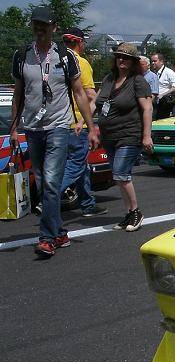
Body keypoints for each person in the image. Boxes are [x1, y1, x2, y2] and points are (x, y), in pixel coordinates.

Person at [9, 7, 99, 258]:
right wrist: (14, 128)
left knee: (50, 181)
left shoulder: (65, 57)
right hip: (32, 127)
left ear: (54, 28)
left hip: (60, 125)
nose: (40, 30)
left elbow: (80, 93)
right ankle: (59, 232)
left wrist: (92, 127)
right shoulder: (22, 55)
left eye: (44, 26)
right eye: (36, 25)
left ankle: (46, 238)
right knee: (42, 180)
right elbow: (17, 94)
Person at [95, 42, 153, 233]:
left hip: (129, 134)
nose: (121, 59)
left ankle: (136, 212)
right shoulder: (109, 79)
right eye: (119, 56)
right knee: (119, 177)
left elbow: (147, 108)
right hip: (109, 137)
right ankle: (128, 213)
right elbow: (97, 102)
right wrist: (83, 122)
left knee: (121, 173)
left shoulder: (137, 81)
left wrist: (146, 136)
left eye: (126, 57)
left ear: (133, 61)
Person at [60, 27, 107, 217]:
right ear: (80, 43)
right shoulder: (80, 62)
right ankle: (48, 196)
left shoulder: (55, 61)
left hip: (58, 124)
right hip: (78, 123)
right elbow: (89, 94)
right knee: (76, 166)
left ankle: (87, 204)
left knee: (80, 166)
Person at [150, 53, 175, 119]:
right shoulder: (153, 72)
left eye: (155, 61)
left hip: (164, 102)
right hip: (155, 102)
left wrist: (162, 94)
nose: (152, 63)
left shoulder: (168, 72)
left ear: (161, 62)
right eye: (152, 61)